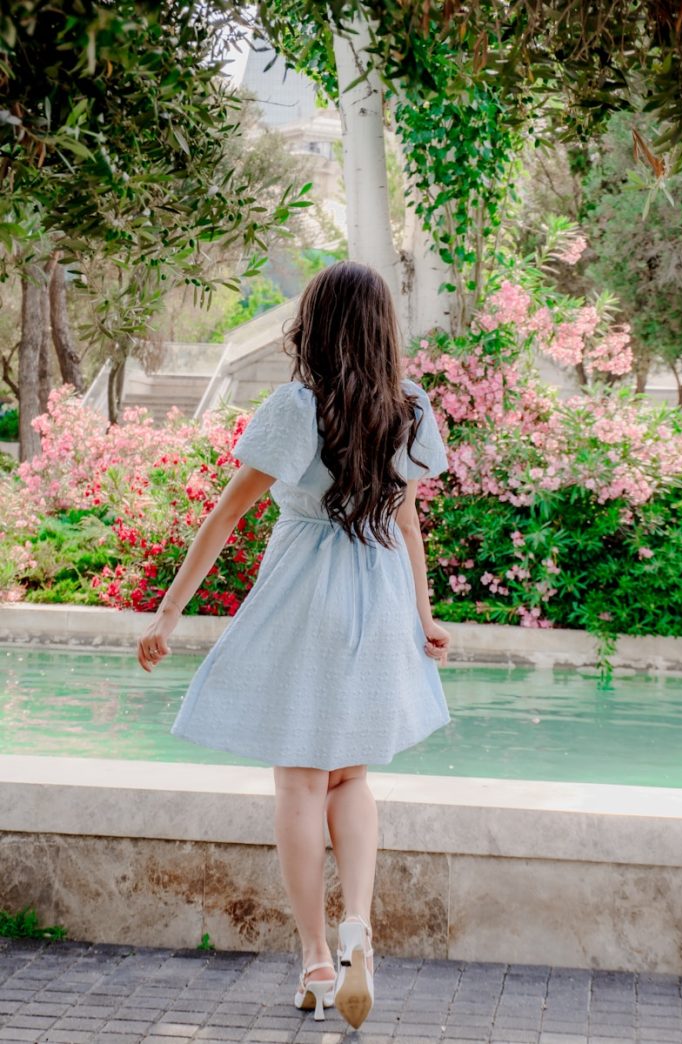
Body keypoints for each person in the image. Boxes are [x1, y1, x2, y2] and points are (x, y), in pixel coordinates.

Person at [137, 260, 451, 1030]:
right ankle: (360, 940)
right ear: (384, 327)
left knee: (301, 782)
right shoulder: (409, 408)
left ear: (315, 324)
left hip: (305, 598)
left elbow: (227, 515)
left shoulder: (295, 406)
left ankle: (316, 956)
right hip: (377, 602)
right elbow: (405, 519)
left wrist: (169, 613)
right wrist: (424, 613)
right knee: (351, 777)